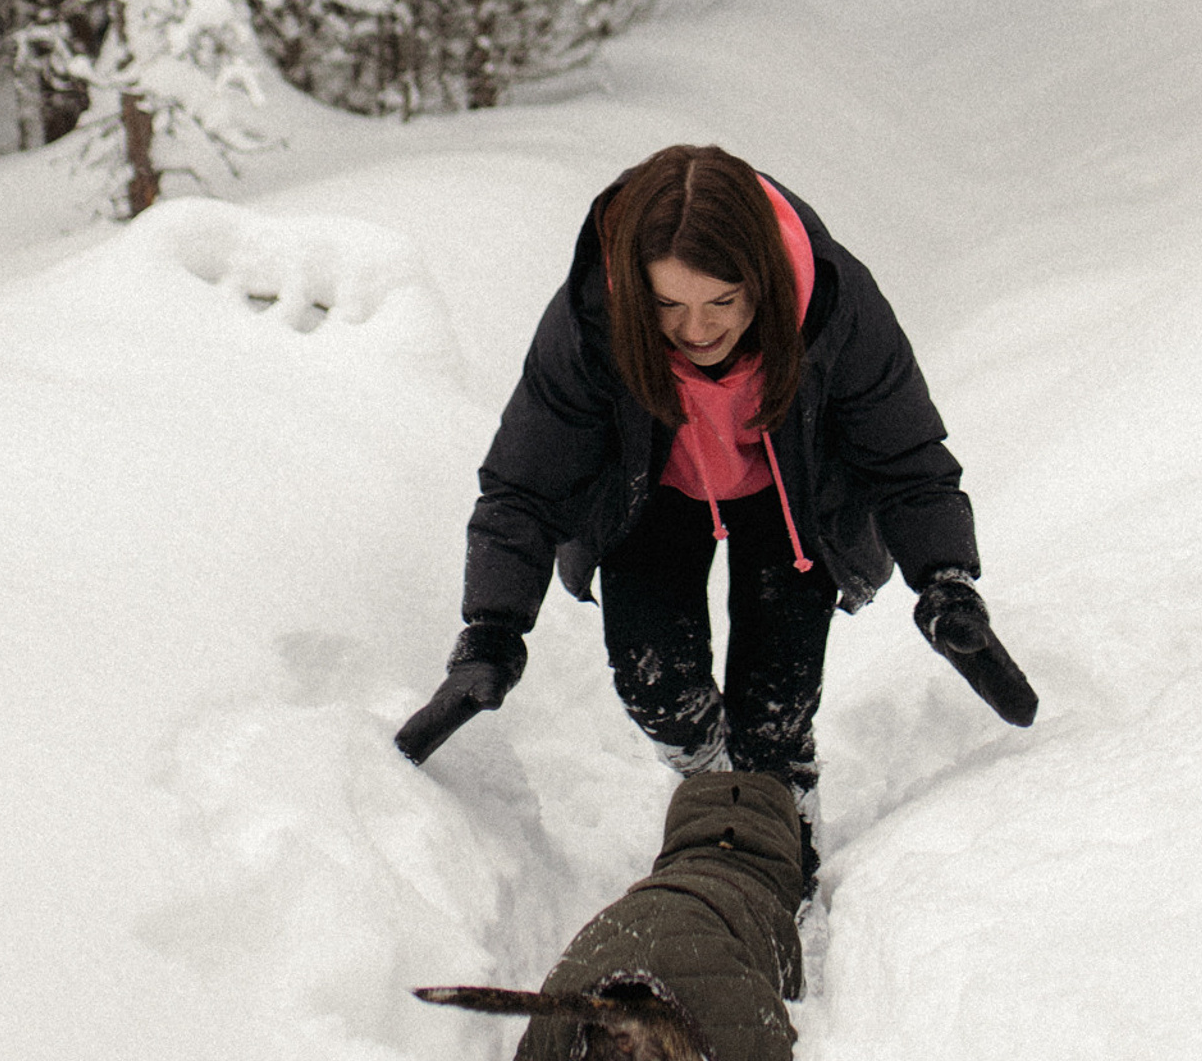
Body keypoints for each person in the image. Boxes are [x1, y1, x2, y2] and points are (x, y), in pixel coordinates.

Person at [397, 144, 1036, 875]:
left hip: (789, 503)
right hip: (655, 495)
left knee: (777, 711)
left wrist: (946, 580)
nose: (695, 331)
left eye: (721, 303)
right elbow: (526, 481)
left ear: (760, 282)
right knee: (655, 686)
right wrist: (491, 628)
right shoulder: (594, 318)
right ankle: (713, 781)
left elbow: (905, 456)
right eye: (667, 306)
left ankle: (775, 795)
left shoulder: (834, 305)